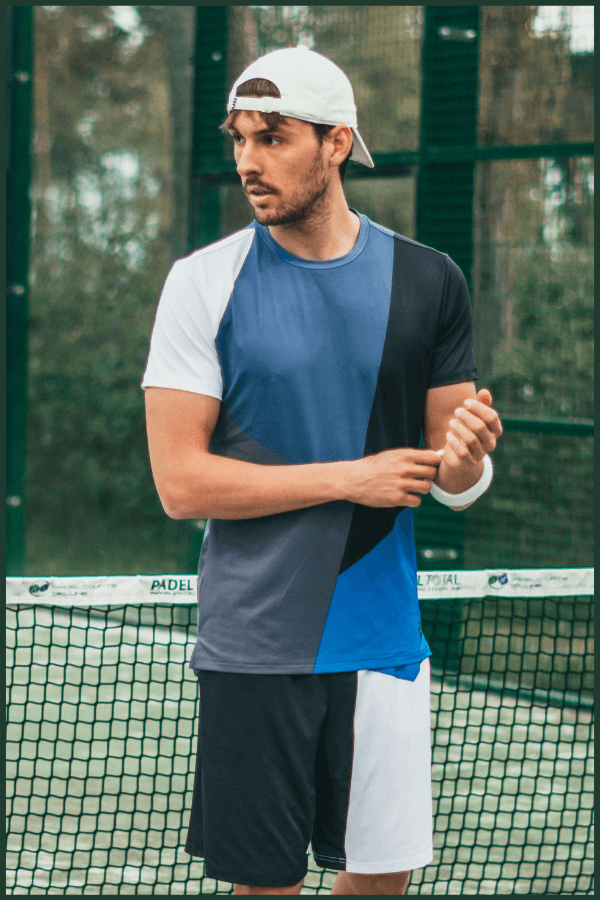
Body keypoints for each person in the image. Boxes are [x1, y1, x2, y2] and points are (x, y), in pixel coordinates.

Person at [142, 46, 502, 896]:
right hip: (254, 645)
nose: (248, 161)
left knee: (381, 879)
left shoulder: (430, 280)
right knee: (266, 886)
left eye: (272, 138)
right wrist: (350, 477)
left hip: (383, 641)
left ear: (336, 143)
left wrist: (467, 463)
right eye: (239, 139)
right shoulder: (202, 284)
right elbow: (180, 484)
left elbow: (451, 479)